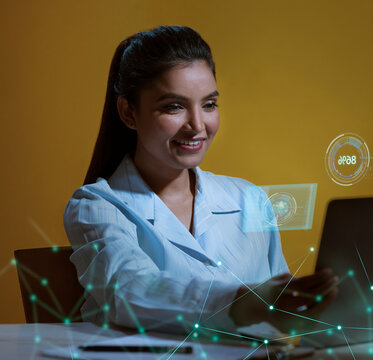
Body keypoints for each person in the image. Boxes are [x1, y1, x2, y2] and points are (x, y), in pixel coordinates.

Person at [63, 25, 338, 334]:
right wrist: (246, 302)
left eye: (209, 104)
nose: (197, 125)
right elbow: (129, 291)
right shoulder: (96, 206)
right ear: (128, 113)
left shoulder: (249, 197)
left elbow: (281, 313)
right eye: (174, 107)